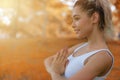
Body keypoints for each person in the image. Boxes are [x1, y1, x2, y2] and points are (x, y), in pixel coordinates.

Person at [44, 0, 114, 80]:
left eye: (77, 18)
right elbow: (48, 60)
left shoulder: (102, 57)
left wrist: (55, 72)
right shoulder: (82, 46)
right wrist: (55, 71)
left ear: (94, 18)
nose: (73, 25)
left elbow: (53, 67)